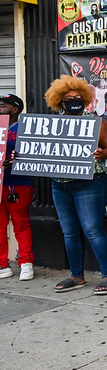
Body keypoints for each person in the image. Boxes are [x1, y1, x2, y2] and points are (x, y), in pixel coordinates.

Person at [45, 76, 107, 295]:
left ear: (85, 98)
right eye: (69, 98)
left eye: (78, 97)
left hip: (90, 183)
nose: (74, 101)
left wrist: (101, 153)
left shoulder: (96, 122)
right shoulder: (49, 125)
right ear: (59, 101)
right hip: (59, 185)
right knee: (69, 231)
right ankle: (76, 276)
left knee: (92, 230)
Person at [0, 94, 34, 281]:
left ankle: (26, 263)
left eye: (3, 105)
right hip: (0, 183)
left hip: (18, 183)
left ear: (15, 109)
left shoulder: (25, 128)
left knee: (21, 224)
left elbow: (34, 154)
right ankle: (2, 264)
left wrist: (15, 160)